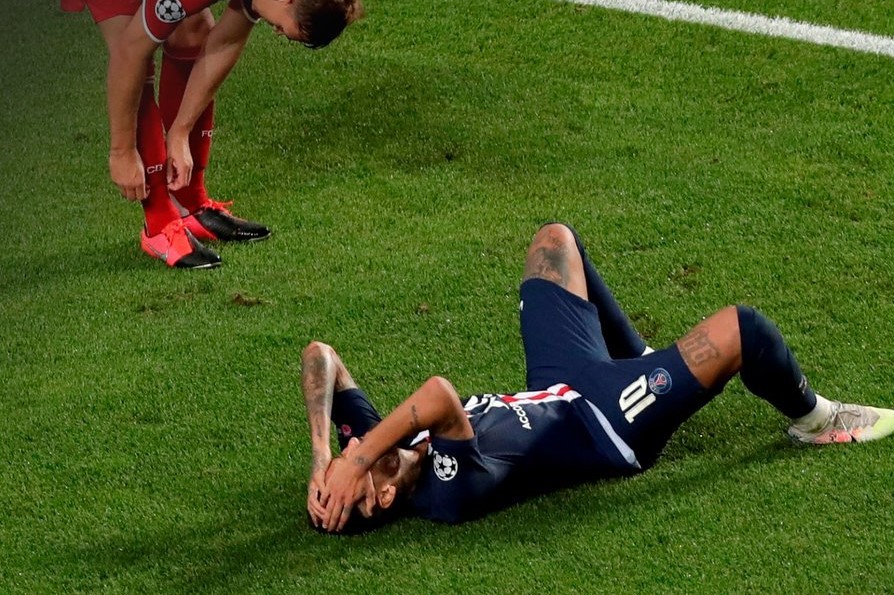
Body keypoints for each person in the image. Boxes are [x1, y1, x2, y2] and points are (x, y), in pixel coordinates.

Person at [301, 222, 894, 531]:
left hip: (563, 380)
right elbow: (439, 396)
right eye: (349, 478)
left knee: (554, 242)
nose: (355, 449)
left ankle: (640, 355)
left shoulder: (380, 447)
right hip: (609, 424)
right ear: (380, 496)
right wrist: (355, 462)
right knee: (743, 330)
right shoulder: (445, 492)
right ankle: (817, 419)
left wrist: (324, 455)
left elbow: (320, 356)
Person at [44, 0, 364, 268]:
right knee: (135, 50)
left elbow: (226, 38)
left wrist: (180, 131)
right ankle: (159, 225)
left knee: (194, 34)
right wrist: (121, 152)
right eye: (282, 28)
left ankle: (191, 202)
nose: (276, 32)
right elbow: (129, 52)